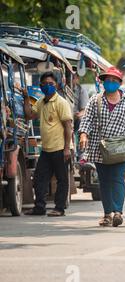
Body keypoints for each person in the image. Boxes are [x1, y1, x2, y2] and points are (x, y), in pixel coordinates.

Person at [78, 67, 125, 227]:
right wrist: (83, 134)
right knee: (104, 181)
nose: (110, 83)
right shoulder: (95, 100)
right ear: (103, 83)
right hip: (100, 149)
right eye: (107, 80)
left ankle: (118, 212)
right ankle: (107, 214)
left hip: (121, 149)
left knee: (117, 179)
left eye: (113, 80)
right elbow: (87, 120)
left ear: (119, 83)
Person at [23, 71, 73, 217]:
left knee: (62, 179)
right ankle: (39, 207)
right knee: (40, 178)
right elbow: (29, 115)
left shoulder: (61, 103)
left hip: (60, 148)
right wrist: (26, 98)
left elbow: (68, 126)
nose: (48, 86)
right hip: (46, 149)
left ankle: (59, 208)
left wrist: (66, 148)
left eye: (51, 84)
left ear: (56, 85)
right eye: (45, 84)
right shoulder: (41, 102)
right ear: (41, 86)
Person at [72, 67, 89, 132]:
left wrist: (77, 116)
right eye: (68, 77)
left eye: (73, 78)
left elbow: (84, 110)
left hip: (75, 121)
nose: (70, 79)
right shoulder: (61, 90)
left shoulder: (81, 90)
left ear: (77, 79)